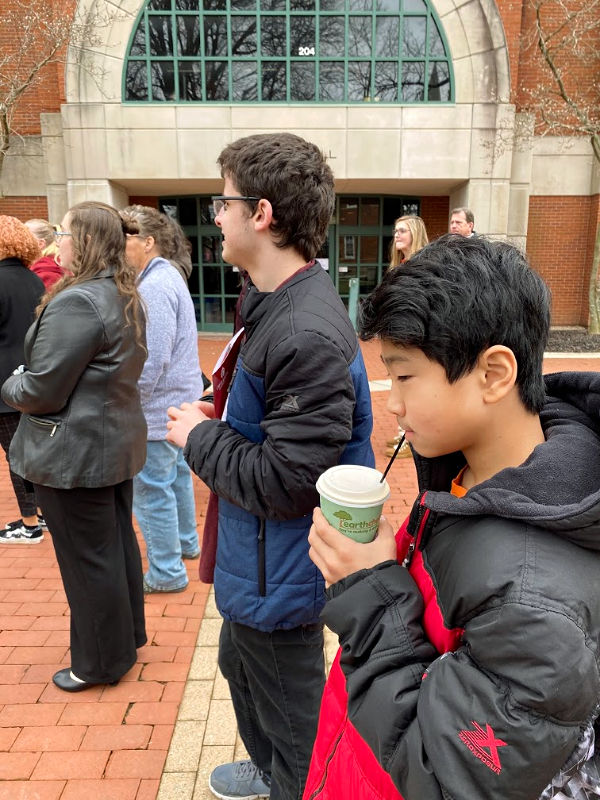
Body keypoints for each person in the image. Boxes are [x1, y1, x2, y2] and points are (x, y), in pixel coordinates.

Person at [304, 234, 600, 800]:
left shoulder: (536, 598)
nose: (391, 403)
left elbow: (445, 778)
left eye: (406, 375)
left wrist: (368, 594)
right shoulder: (467, 476)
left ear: (492, 374)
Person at [166, 132, 375, 800]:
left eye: (222, 201)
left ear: (260, 213)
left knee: (299, 731)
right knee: (236, 661)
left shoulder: (302, 331)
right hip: (260, 564)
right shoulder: (272, 304)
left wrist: (197, 437)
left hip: (282, 570)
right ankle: (276, 771)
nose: (215, 215)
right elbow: (271, 428)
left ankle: (294, 781)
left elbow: (286, 483)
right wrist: (221, 408)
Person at [1, 201, 148, 692]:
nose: (55, 242)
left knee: (88, 560)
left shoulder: (78, 300)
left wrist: (10, 386)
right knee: (113, 547)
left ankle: (100, 663)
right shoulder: (120, 292)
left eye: (62, 233)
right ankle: (124, 639)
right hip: (107, 441)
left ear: (82, 241)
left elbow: (43, 389)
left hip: (74, 452)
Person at [120, 204, 203, 594]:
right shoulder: (167, 276)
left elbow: (150, 360)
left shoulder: (153, 286)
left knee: (153, 492)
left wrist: (128, 403)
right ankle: (186, 545)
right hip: (175, 404)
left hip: (156, 410)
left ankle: (167, 572)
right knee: (175, 480)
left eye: (126, 239)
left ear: (147, 241)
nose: (120, 247)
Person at [0, 216, 46, 543]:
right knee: (31, 452)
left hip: (3, 384)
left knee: (15, 454)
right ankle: (41, 514)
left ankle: (29, 524)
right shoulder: (34, 281)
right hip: (33, 377)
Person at [385, 215, 429, 459]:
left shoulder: (425, 267)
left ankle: (412, 435)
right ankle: (404, 433)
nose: (397, 235)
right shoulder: (399, 265)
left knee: (413, 388)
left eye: (402, 230)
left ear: (415, 233)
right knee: (400, 388)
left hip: (417, 338)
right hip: (399, 336)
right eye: (395, 231)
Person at [24, 218, 68, 289]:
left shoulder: (46, 273)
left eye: (24, 237)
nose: (18, 240)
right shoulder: (55, 263)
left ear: (40, 244)